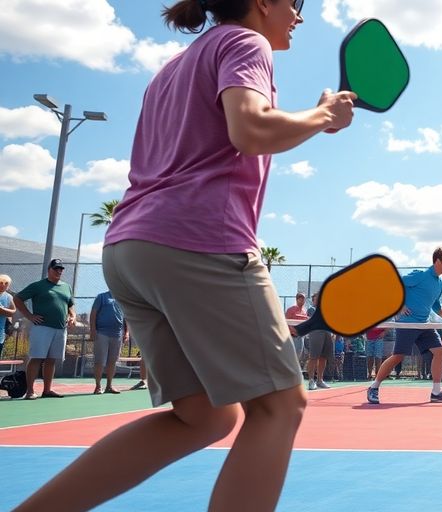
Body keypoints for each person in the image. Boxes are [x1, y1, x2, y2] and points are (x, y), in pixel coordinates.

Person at [13, 1, 356, 510]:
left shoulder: (173, 67)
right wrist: (324, 113)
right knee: (281, 405)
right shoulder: (246, 42)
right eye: (296, 2)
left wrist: (313, 118)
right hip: (197, 239)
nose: (300, 15)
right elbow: (252, 129)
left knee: (205, 416)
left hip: (131, 250)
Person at [367, 247, 442, 404]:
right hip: (407, 323)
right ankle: (374, 387)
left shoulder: (440, 283)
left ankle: (436, 392)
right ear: (437, 261)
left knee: (439, 352)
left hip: (424, 325)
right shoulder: (420, 275)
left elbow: (436, 305)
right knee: (398, 356)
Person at [13, 259, 75, 401]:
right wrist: (29, 315)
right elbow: (18, 298)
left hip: (60, 329)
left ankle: (47, 390)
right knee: (36, 358)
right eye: (56, 269)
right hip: (42, 328)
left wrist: (73, 316)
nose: (59, 271)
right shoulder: (38, 286)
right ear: (49, 270)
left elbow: (70, 305)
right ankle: (30, 391)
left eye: (61, 269)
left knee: (51, 359)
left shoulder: (66, 287)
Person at [90, 290, 129, 395]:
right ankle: (98, 386)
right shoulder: (101, 297)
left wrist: (126, 332)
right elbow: (93, 313)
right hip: (101, 333)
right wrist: (93, 330)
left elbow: (126, 317)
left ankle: (109, 386)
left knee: (112, 361)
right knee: (100, 361)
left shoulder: (122, 299)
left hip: (117, 335)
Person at [304, 293, 333, 390]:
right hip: (315, 333)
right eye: (317, 299)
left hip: (327, 333)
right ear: (313, 300)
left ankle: (320, 380)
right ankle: (311, 381)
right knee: (313, 357)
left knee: (323, 357)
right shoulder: (311, 309)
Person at [284, 292, 309, 362]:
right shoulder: (291, 310)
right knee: (291, 355)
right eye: (300, 299)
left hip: (301, 337)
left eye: (303, 299)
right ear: (297, 299)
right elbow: (286, 322)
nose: (302, 301)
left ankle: (294, 371)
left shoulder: (304, 311)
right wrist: (294, 330)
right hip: (292, 336)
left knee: (299, 355)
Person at [0, 274, 14, 358]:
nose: (3, 285)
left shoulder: (8, 297)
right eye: (1, 282)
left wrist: (3, 310)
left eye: (6, 283)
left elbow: (12, 312)